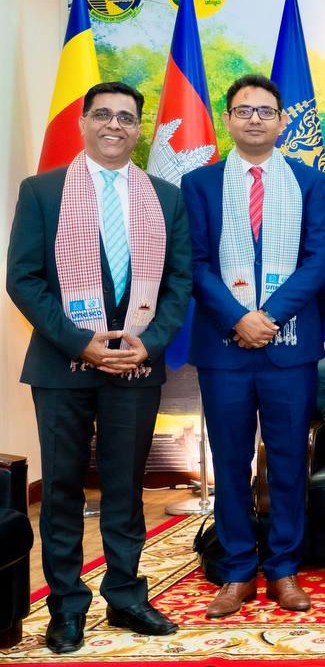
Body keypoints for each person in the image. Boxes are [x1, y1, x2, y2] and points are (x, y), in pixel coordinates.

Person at [6, 82, 191, 652]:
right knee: (62, 487)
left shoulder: (166, 198)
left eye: (127, 118)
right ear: (83, 122)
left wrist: (149, 344)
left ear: (139, 130)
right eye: (104, 114)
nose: (115, 125)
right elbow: (23, 280)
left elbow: (178, 283)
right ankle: (66, 607)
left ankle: (127, 596)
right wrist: (80, 342)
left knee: (124, 485)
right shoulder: (42, 190)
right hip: (62, 366)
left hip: (136, 365)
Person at [182, 74, 325, 618]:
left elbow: (319, 259)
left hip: (288, 348)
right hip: (223, 349)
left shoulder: (310, 182)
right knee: (229, 462)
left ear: (281, 120)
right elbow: (195, 263)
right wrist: (238, 318)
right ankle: (237, 571)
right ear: (227, 119)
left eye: (265, 110)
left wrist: (266, 317)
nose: (254, 119)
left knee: (289, 461)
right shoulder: (199, 184)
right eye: (244, 110)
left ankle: (285, 569)